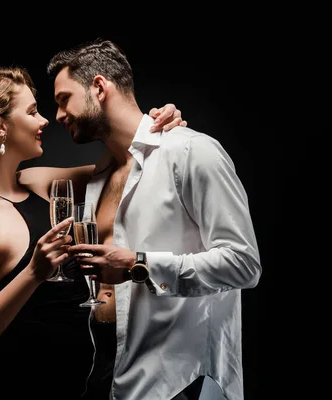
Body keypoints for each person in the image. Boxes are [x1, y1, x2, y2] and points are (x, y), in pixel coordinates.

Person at [0, 65, 187, 398]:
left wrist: (157, 123)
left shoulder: (40, 183)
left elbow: (127, 162)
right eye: (33, 111)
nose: (45, 121)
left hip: (87, 381)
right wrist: (33, 274)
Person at [44, 39, 262, 400]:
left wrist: (138, 264)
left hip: (179, 382)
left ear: (99, 87)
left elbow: (244, 264)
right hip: (111, 372)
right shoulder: (99, 176)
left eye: (63, 99)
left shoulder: (192, 152)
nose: (58, 116)